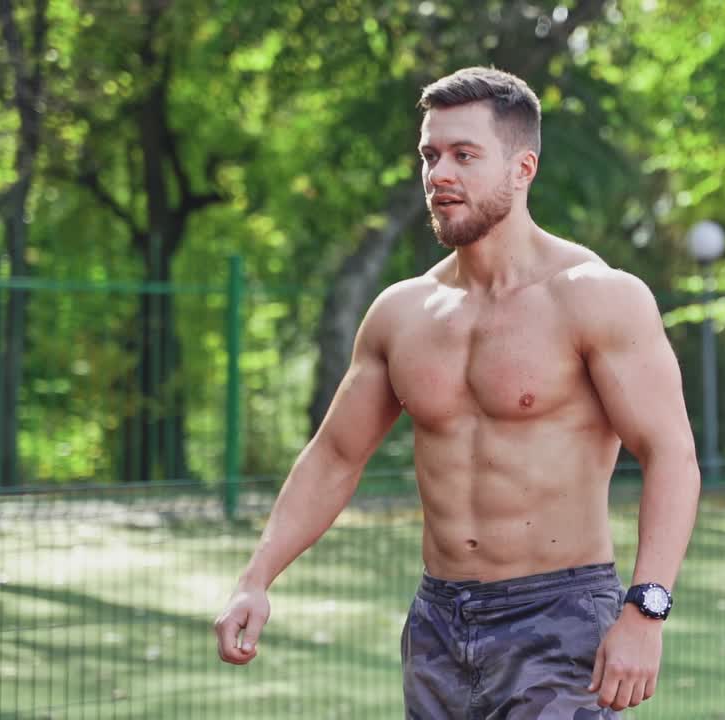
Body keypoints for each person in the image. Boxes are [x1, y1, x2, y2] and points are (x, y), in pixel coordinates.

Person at [214, 66, 700, 718]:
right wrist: (256, 578)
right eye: (430, 155)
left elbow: (670, 453)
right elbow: (335, 457)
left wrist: (646, 610)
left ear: (523, 168)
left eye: (464, 155)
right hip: (437, 624)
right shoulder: (404, 312)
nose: (439, 174)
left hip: (559, 614)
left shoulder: (597, 297)